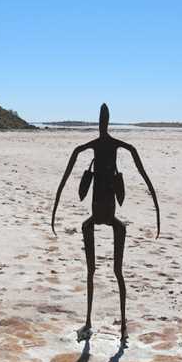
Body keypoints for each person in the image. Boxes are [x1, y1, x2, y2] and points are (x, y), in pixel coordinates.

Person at [50, 103, 160, 344]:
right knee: (91, 271)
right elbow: (65, 176)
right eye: (101, 119)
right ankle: (88, 322)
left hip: (111, 217)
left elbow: (145, 177)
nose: (102, 124)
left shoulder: (120, 146)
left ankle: (123, 327)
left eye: (104, 119)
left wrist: (155, 205)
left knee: (117, 271)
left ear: (106, 121)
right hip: (94, 217)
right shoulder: (90, 147)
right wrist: (55, 206)